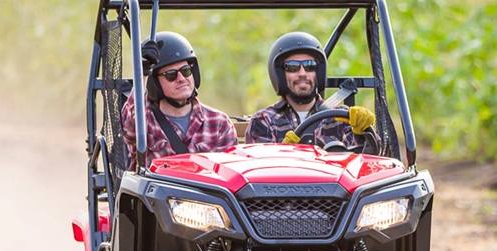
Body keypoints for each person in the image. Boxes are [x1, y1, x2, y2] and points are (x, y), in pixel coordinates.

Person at [246, 31, 375, 149]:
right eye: (292, 67)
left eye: (309, 66)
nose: (302, 73)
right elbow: (262, 170)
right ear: (280, 74)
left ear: (318, 72)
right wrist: (284, 151)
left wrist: (364, 132)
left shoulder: (340, 117)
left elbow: (369, 162)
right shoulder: (264, 121)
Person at [121, 31, 236, 162]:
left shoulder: (219, 123)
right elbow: (128, 126)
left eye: (186, 71)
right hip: (159, 183)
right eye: (171, 74)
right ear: (155, 83)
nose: (181, 79)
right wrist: (143, 74)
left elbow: (230, 173)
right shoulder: (144, 121)